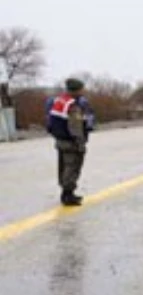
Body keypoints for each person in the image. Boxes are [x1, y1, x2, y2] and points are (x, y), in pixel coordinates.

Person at [47, 78, 90, 206]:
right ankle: (68, 195)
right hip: (71, 142)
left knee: (64, 167)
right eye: (81, 88)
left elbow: (50, 122)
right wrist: (80, 143)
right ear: (76, 90)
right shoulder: (73, 105)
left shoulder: (59, 101)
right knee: (72, 166)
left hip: (60, 140)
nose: (83, 91)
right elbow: (75, 126)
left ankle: (65, 192)